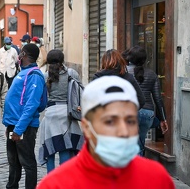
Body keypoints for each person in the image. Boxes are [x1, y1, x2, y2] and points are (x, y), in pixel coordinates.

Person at [37, 76, 175, 189]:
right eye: (110, 121)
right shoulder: (56, 185)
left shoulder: (157, 178)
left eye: (130, 121)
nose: (123, 131)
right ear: (87, 128)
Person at [3, 43, 47, 189]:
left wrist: (18, 129)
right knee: (13, 161)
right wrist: (10, 127)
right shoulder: (22, 73)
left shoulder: (34, 75)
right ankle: (12, 186)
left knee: (27, 162)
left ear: (24, 55)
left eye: (20, 53)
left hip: (24, 127)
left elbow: (32, 105)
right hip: (14, 125)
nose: (18, 55)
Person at [38, 49, 84, 173]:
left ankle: (51, 180)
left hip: (50, 114)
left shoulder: (45, 76)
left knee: (50, 150)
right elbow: (82, 89)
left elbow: (42, 97)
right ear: (62, 60)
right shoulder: (71, 73)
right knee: (65, 148)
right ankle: (64, 180)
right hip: (67, 113)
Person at [123, 45, 168, 156]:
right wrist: (163, 119)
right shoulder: (152, 74)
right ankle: (139, 169)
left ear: (129, 57)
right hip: (148, 113)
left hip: (129, 112)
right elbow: (158, 98)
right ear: (144, 60)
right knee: (140, 143)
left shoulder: (123, 73)